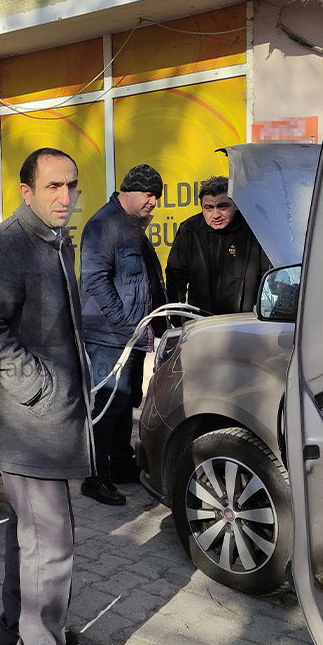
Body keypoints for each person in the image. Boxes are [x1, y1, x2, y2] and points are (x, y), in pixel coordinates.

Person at [0, 148, 111, 645]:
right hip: (28, 425)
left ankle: (19, 638)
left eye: (71, 186)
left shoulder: (55, 240)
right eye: (52, 187)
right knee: (52, 545)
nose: (65, 197)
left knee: (27, 538)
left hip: (48, 422)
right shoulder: (6, 245)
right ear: (26, 191)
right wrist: (43, 388)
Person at [78, 163, 168, 506]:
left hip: (130, 334)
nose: (153, 202)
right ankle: (95, 477)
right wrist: (123, 324)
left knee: (124, 402)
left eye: (156, 196)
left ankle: (120, 464)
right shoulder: (103, 225)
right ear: (126, 192)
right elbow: (95, 280)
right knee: (106, 405)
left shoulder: (131, 225)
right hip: (109, 336)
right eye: (148, 195)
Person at [165, 176, 270, 316]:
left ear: (237, 205)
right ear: (201, 207)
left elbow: (268, 276)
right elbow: (175, 278)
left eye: (222, 206)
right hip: (200, 323)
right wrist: (179, 318)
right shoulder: (189, 230)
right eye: (208, 208)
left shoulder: (255, 229)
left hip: (246, 322)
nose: (215, 215)